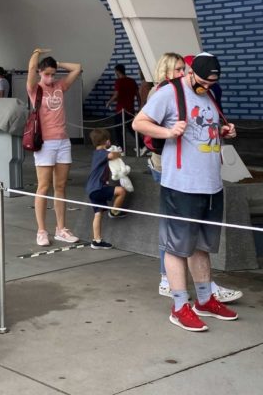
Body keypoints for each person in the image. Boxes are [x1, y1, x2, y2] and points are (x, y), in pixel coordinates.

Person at [133, 52, 239, 332]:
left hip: (211, 183)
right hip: (181, 185)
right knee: (177, 247)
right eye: (202, 80)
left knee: (202, 245)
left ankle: (204, 300)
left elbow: (205, 128)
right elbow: (139, 122)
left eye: (211, 82)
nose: (206, 86)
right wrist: (168, 133)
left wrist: (223, 131)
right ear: (190, 72)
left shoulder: (208, 94)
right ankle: (179, 306)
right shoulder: (170, 93)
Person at [28, 48, 83, 247]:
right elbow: (32, 67)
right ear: (40, 73)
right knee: (43, 187)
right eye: (47, 74)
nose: (50, 77)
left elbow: (77, 68)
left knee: (60, 186)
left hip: (62, 141)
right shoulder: (35, 88)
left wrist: (57, 63)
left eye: (53, 74)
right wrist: (37, 53)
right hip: (45, 142)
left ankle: (61, 228)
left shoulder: (60, 85)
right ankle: (41, 230)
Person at [86, 128, 127, 249]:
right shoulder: (102, 153)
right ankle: (114, 212)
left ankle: (97, 240)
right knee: (121, 191)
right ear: (107, 141)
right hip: (99, 187)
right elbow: (112, 155)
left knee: (98, 214)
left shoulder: (96, 154)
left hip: (91, 189)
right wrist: (120, 153)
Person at [106, 63, 140, 153]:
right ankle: (141, 145)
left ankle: (121, 148)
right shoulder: (132, 81)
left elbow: (116, 94)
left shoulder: (119, 81)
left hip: (121, 110)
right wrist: (139, 106)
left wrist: (109, 102)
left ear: (117, 71)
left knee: (118, 130)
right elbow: (137, 95)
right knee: (131, 128)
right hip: (130, 109)